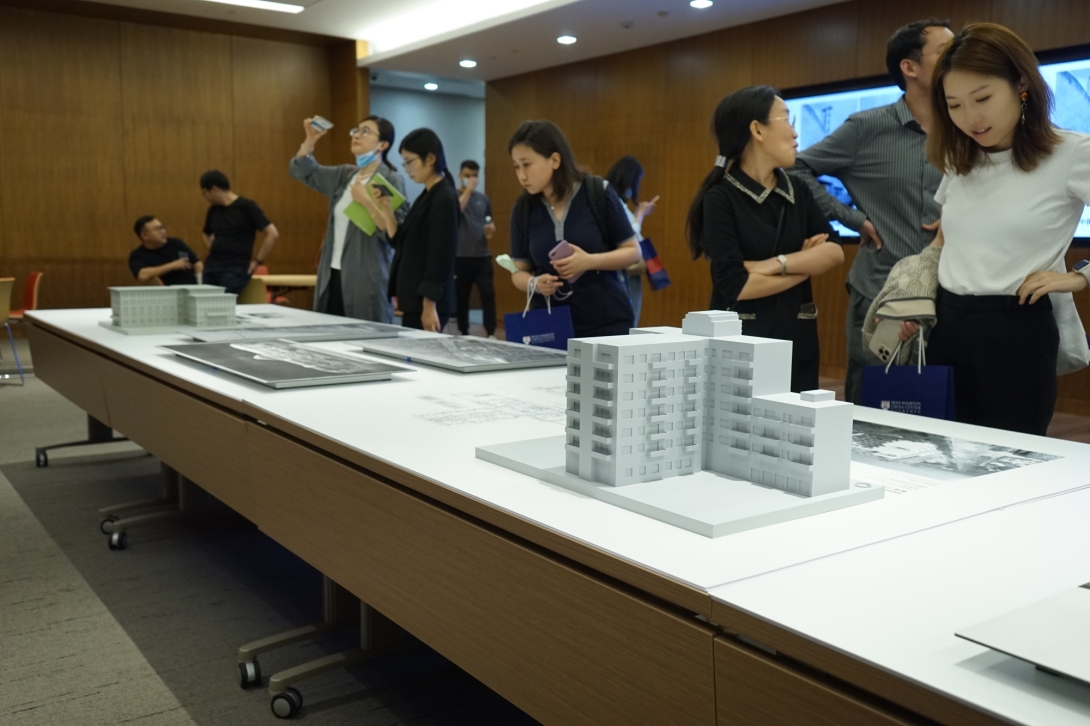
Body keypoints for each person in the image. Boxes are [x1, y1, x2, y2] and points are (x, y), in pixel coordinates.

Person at [919, 22, 1090, 435]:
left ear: (1022, 86)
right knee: (939, 456)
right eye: (954, 105)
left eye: (983, 98)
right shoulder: (961, 160)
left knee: (1009, 464)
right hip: (946, 323)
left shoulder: (1071, 153)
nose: (970, 118)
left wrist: (1079, 278)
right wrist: (918, 296)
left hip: (1015, 330)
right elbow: (945, 238)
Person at [787, 18, 955, 403]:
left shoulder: (967, 127)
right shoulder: (867, 126)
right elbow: (796, 168)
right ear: (909, 68)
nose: (959, 57)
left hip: (954, 291)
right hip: (883, 289)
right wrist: (851, 218)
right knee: (876, 403)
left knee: (941, 404)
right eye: (946, 51)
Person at [687, 86, 845, 393]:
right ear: (757, 129)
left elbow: (835, 252)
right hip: (741, 344)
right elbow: (738, 285)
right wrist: (805, 264)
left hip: (797, 339)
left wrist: (771, 265)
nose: (795, 132)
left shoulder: (797, 189)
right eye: (787, 119)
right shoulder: (720, 198)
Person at [507, 120, 640, 338]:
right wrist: (534, 283)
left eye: (526, 164)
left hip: (605, 323)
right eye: (516, 167)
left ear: (555, 160)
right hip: (549, 325)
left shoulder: (597, 192)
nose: (521, 175)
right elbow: (518, 271)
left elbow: (633, 251)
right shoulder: (524, 207)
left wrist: (590, 261)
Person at [290, 115, 407, 322]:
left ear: (383, 144)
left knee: (364, 337)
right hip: (332, 273)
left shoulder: (390, 178)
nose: (357, 136)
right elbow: (303, 170)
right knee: (329, 335)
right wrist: (310, 140)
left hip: (366, 276)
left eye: (366, 131)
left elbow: (394, 232)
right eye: (356, 130)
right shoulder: (346, 175)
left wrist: (366, 202)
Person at [361, 128, 458, 332]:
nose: (406, 168)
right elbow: (400, 242)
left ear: (430, 158)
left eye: (409, 161)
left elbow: (440, 256)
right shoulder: (428, 195)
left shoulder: (444, 198)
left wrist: (429, 304)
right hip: (415, 299)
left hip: (428, 303)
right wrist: (386, 208)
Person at [200, 170, 279, 295]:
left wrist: (258, 261)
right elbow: (206, 233)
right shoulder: (213, 210)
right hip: (211, 267)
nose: (205, 197)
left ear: (214, 189)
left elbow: (272, 233)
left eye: (205, 193)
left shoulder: (246, 207)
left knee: (222, 305)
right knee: (205, 304)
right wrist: (214, 246)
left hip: (235, 269)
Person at [604, 156, 658, 325]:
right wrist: (640, 214)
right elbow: (628, 235)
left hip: (630, 272)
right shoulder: (612, 201)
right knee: (627, 321)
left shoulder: (617, 202)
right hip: (623, 273)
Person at [454, 160, 497, 337]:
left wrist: (491, 228)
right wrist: (468, 190)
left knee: (488, 294)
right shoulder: (453, 196)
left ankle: (491, 332)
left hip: (482, 256)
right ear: (460, 176)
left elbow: (489, 220)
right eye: (467, 176)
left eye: (474, 176)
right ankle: (464, 331)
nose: (471, 179)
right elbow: (457, 211)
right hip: (460, 257)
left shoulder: (483, 199)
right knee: (461, 297)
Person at [128, 215, 202, 286]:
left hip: (192, 288)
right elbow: (142, 275)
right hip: (166, 293)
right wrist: (172, 266)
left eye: (162, 227)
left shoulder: (176, 243)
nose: (163, 231)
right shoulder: (138, 255)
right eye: (157, 229)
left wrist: (200, 285)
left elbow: (197, 263)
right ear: (145, 236)